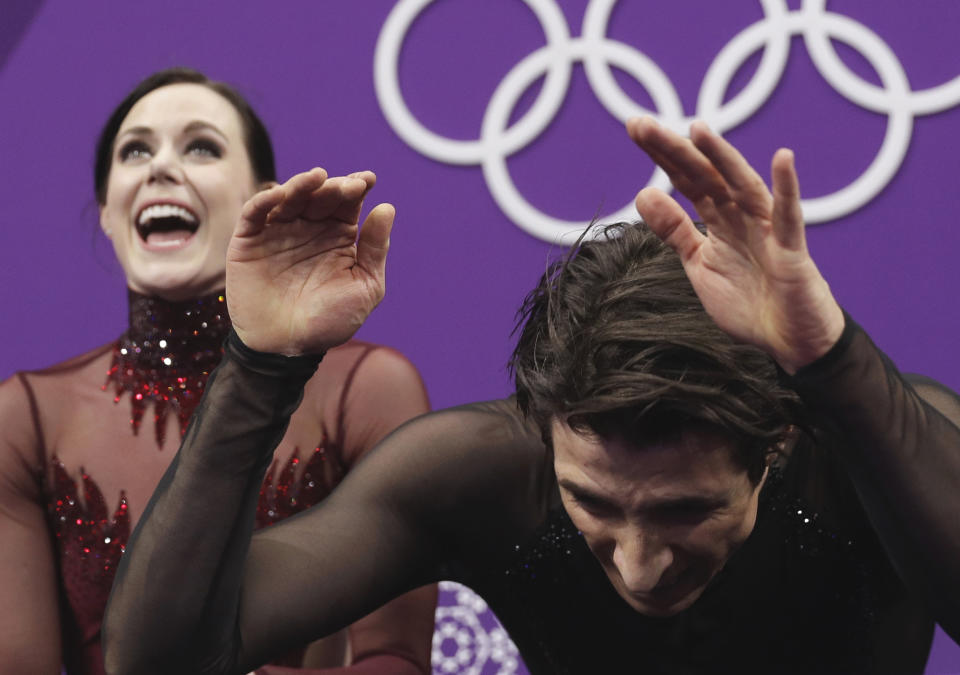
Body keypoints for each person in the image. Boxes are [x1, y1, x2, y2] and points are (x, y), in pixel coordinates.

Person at [102, 117, 960, 674]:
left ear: (777, 439)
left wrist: (832, 361)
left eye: (684, 510)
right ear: (543, 431)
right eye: (591, 501)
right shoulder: (481, 472)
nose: (637, 563)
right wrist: (258, 366)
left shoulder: (880, 442)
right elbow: (161, 661)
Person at [0, 67, 437, 675]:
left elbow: (395, 659)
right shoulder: (25, 416)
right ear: (106, 210)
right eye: (136, 151)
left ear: (262, 197)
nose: (160, 167)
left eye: (201, 146)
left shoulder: (366, 390)